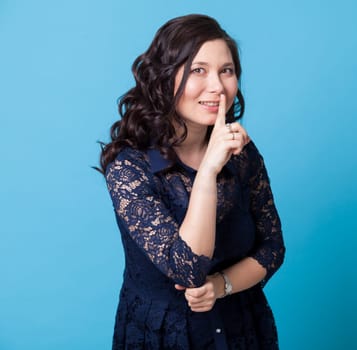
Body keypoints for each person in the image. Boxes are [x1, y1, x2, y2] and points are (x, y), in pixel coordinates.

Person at [97, 14, 285, 350]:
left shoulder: (242, 153)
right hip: (163, 336)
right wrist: (209, 171)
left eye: (226, 71)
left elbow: (272, 248)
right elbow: (187, 269)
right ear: (164, 77)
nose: (216, 86)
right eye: (198, 70)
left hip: (242, 328)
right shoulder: (129, 166)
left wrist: (221, 285)